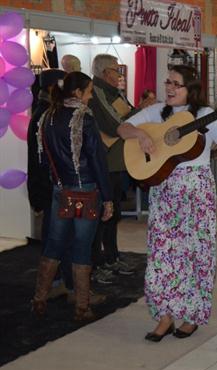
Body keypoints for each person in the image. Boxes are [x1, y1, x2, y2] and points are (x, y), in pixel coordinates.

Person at [117, 65, 217, 341]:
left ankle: (192, 315)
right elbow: (122, 127)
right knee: (162, 255)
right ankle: (164, 316)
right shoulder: (157, 111)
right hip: (164, 191)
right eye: (168, 82)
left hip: (196, 193)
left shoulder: (205, 115)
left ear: (191, 88)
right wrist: (140, 135)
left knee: (196, 253)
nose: (170, 88)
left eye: (176, 84)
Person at [31, 72, 113, 321]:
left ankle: (39, 300)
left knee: (54, 245)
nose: (90, 97)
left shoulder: (47, 116)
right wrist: (107, 197)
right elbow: (98, 161)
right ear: (78, 93)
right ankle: (81, 307)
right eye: (88, 92)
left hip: (60, 190)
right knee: (81, 247)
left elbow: (43, 159)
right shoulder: (84, 118)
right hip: (86, 191)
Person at [88, 54, 136, 282]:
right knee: (101, 215)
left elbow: (128, 116)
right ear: (105, 73)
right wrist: (140, 111)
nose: (120, 75)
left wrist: (139, 112)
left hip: (116, 162)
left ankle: (111, 256)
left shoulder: (113, 92)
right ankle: (97, 262)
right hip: (104, 164)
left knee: (114, 213)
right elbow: (115, 124)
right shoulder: (97, 93)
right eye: (117, 71)